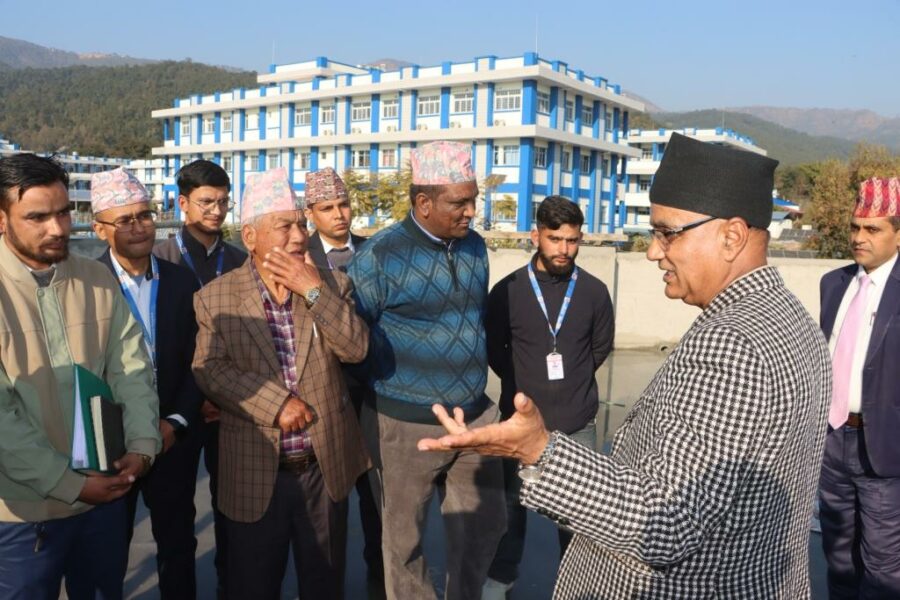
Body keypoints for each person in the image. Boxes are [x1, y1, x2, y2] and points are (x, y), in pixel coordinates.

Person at [419, 133, 832, 598]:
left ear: (731, 236)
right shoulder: (791, 319)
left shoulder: (734, 343)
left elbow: (665, 521)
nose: (654, 251)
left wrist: (538, 450)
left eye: (666, 232)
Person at [192, 167, 370, 600]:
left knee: (324, 583)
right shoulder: (215, 297)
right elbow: (210, 369)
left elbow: (356, 349)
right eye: (284, 226)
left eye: (301, 225)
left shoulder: (332, 284)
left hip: (322, 469)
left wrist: (313, 291)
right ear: (250, 237)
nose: (298, 237)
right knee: (252, 585)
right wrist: (276, 404)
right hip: (254, 469)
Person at [347, 141, 506, 600]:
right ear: (423, 202)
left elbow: (474, 316)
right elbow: (353, 338)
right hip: (403, 426)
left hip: (473, 418)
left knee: (485, 526)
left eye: (473, 199)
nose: (471, 211)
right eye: (460, 202)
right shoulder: (379, 256)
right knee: (404, 542)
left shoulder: (475, 247)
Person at [0, 153, 160, 598]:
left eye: (64, 212)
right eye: (37, 217)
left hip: (103, 497)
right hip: (22, 514)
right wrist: (69, 483)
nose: (57, 228)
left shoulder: (95, 278)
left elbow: (131, 367)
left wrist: (142, 445)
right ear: (1, 219)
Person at [482, 195, 614, 598]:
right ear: (536, 235)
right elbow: (496, 352)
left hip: (577, 424)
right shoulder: (507, 291)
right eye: (555, 239)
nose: (564, 249)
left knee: (578, 517)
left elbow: (599, 348)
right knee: (510, 508)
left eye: (573, 240)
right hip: (519, 421)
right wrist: (527, 385)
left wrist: (570, 383)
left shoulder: (593, 292)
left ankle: (578, 584)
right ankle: (501, 577)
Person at [91, 167, 203, 600]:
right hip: (110, 447)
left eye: (145, 215)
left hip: (171, 438)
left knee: (178, 545)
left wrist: (175, 422)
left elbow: (200, 361)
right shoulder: (86, 286)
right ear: (100, 229)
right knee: (106, 552)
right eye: (125, 219)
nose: (139, 226)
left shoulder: (181, 280)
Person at [153, 159, 246, 595]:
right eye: (207, 201)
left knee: (233, 516)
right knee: (175, 523)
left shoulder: (241, 260)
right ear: (183, 202)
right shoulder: (159, 259)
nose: (216, 210)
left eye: (224, 202)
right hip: (177, 411)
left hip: (229, 409)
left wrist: (223, 394)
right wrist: (190, 402)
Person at [818, 176, 900, 599]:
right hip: (831, 443)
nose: (858, 237)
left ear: (898, 234)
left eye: (872, 229)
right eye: (854, 227)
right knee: (837, 555)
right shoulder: (833, 283)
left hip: (884, 450)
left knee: (883, 567)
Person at [304, 166, 383, 584]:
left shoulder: (376, 252)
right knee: (327, 505)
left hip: (374, 394)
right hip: (323, 396)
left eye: (344, 204)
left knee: (377, 500)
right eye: (327, 208)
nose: (339, 214)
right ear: (310, 213)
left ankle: (379, 582)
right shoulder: (299, 259)